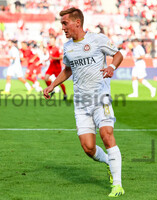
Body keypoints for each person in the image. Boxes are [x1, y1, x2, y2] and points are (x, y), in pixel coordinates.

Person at [43, 7, 125, 197]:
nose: (62, 27)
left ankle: (118, 185)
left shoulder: (97, 39)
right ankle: (109, 163)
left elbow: (118, 54)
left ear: (77, 23)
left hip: (100, 98)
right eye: (62, 24)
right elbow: (68, 70)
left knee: (107, 134)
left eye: (65, 23)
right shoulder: (68, 47)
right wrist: (52, 85)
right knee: (88, 148)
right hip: (81, 104)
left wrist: (112, 66)